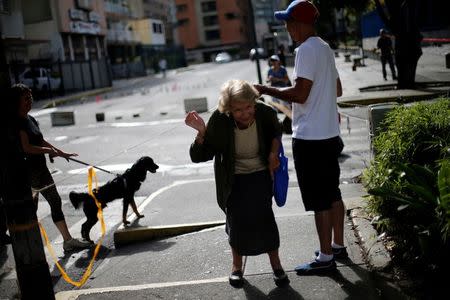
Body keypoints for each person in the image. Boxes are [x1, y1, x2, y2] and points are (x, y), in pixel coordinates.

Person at [254, 0, 347, 275]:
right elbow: (338, 89)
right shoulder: (325, 48)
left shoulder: (305, 50)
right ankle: (338, 245)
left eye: (289, 23)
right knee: (333, 194)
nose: (287, 28)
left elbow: (301, 94)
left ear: (301, 23)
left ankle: (325, 257)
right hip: (330, 134)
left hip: (311, 139)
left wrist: (265, 89)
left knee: (319, 200)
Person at [185, 79, 289, 287]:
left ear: (254, 102)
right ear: (229, 109)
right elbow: (201, 155)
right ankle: (236, 267)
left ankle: (277, 266)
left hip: (260, 175)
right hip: (233, 179)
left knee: (265, 220)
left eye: (249, 106)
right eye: (238, 110)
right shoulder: (220, 119)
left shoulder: (264, 113)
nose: (245, 113)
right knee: (237, 223)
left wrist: (272, 152)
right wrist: (201, 133)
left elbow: (276, 131)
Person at [12, 84, 91, 252]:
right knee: (30, 210)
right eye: (26, 99)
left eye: (30, 98)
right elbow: (26, 147)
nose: (29, 101)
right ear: (16, 101)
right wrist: (48, 151)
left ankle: (67, 240)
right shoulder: (17, 123)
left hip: (41, 170)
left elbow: (39, 141)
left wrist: (61, 152)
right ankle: (30, 247)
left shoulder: (30, 119)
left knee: (54, 201)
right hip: (29, 173)